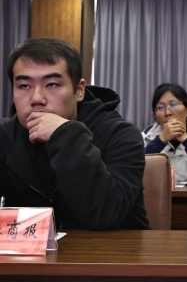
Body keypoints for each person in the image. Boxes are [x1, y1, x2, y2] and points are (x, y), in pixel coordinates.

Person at [0, 37, 149, 230]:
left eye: (52, 84)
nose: (36, 98)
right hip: (27, 249)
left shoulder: (120, 134)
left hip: (111, 248)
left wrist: (65, 135)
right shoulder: (4, 136)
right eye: (24, 86)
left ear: (79, 90)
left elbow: (105, 214)